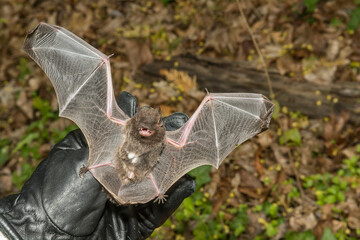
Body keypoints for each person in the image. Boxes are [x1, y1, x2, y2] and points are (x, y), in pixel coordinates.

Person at [0, 92, 196, 239]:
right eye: (143, 127)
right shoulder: (125, 131)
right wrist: (41, 224)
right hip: (113, 175)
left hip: (135, 180)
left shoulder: (161, 141)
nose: (146, 131)